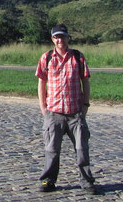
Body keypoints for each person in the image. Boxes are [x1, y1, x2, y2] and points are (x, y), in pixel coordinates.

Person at [35, 24, 96, 194]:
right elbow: (41, 82)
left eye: (62, 36)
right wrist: (43, 107)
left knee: (82, 149)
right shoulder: (46, 57)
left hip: (75, 111)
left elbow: (85, 81)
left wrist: (85, 106)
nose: (60, 40)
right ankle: (48, 180)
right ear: (52, 39)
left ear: (68, 37)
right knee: (51, 149)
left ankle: (86, 181)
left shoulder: (77, 57)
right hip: (54, 112)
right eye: (56, 37)